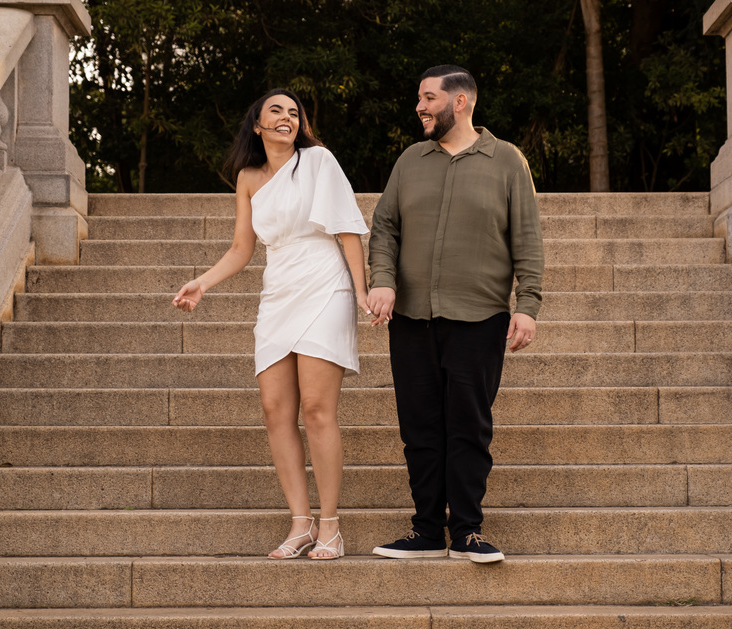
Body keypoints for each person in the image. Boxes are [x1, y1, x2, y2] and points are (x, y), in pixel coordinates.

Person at [173, 88, 368, 560]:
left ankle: (330, 526)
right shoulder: (248, 177)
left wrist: (362, 291)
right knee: (275, 409)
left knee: (318, 409)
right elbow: (243, 248)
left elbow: (346, 227)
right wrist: (203, 282)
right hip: (278, 290)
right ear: (256, 126)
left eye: (294, 112)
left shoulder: (320, 161)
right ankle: (300, 523)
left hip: (325, 282)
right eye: (275, 111)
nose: (286, 118)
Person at [366, 65, 544, 564]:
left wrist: (526, 306)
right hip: (411, 318)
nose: (420, 107)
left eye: (428, 98)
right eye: (419, 98)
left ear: (460, 101)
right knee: (419, 426)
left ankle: (467, 530)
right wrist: (382, 278)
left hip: (480, 317)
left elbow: (527, 240)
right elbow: (384, 228)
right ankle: (425, 530)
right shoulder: (409, 161)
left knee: (469, 425)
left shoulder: (507, 161)